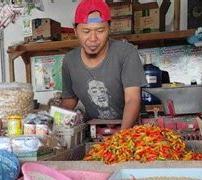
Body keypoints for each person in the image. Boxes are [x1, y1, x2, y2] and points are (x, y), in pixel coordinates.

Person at [60, 0, 147, 129]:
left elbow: (132, 99)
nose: (93, 38)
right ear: (75, 31)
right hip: (95, 129)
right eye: (86, 31)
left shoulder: (126, 53)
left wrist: (121, 138)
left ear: (109, 28)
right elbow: (69, 100)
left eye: (100, 30)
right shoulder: (69, 60)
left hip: (130, 129)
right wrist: (53, 126)